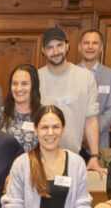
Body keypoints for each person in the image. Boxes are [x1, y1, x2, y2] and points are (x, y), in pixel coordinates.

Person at [2, 109, 90, 208]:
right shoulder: (22, 164)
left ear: (63, 128)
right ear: (35, 129)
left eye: (55, 127)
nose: (50, 133)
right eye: (44, 127)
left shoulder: (77, 163)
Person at [34, 26, 99, 157]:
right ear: (43, 51)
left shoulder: (85, 77)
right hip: (41, 155)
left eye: (59, 45)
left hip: (75, 154)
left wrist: (94, 155)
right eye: (50, 47)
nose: (55, 51)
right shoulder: (35, 78)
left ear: (67, 46)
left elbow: (91, 119)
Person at [76, 28, 111, 163]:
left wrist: (89, 133)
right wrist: (80, 134)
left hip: (100, 142)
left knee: (97, 176)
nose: (90, 47)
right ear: (80, 47)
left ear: (101, 47)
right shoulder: (69, 74)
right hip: (73, 142)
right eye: (86, 43)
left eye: (95, 43)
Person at [0, 64, 41, 142]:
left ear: (34, 86)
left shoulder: (44, 115)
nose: (19, 89)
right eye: (15, 84)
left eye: (24, 83)